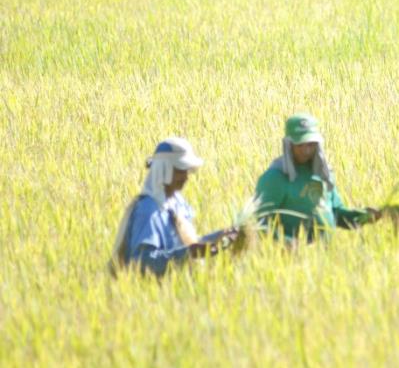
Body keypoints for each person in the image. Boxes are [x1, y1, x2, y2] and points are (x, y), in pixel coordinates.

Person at [109, 137, 240, 277]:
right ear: (164, 169)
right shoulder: (148, 210)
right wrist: (190, 252)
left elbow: (184, 246)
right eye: (180, 171)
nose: (185, 177)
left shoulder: (176, 203)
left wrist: (219, 237)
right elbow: (142, 262)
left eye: (186, 171)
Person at [254, 113, 379, 244]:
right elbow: (259, 223)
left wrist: (364, 216)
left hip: (324, 258)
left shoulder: (323, 174)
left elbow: (336, 213)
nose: (306, 150)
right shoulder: (275, 178)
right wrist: (288, 244)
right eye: (300, 145)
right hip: (291, 259)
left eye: (310, 144)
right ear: (288, 144)